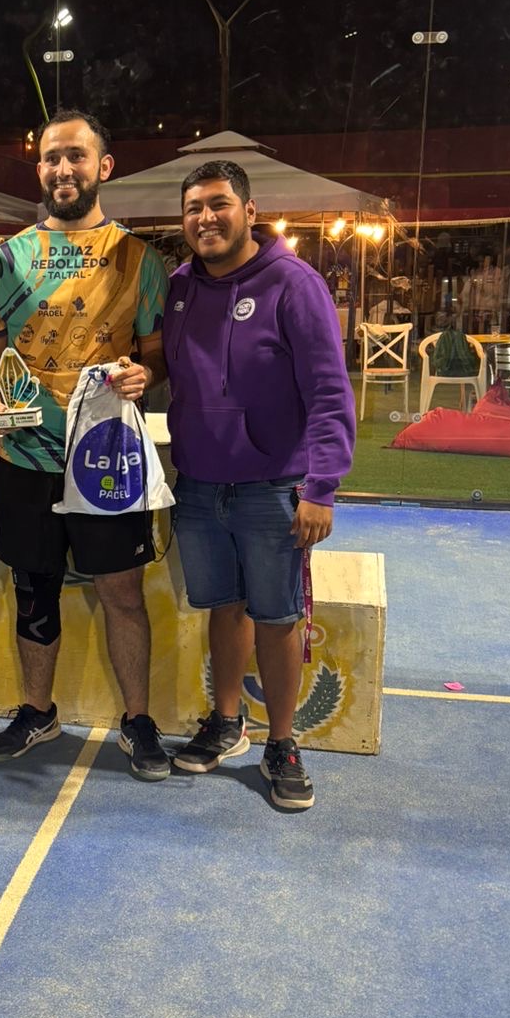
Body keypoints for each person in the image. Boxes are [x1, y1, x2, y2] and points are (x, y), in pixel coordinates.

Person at [0, 109, 171, 781]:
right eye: (52, 158)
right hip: (27, 457)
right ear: (40, 168)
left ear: (103, 167)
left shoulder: (139, 260)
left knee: (121, 591)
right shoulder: (6, 259)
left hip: (104, 457)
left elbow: (156, 357)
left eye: (77, 157)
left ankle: (138, 720)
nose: (64, 169)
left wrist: (150, 375)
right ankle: (38, 711)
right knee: (34, 589)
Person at [163, 160, 356, 810]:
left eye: (218, 204)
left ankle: (281, 741)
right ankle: (226, 724)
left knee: (277, 618)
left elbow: (330, 391)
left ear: (249, 210)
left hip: (273, 487)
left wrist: (321, 486)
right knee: (224, 607)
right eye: (193, 207)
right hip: (198, 486)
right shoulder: (181, 287)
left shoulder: (294, 285)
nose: (205, 218)